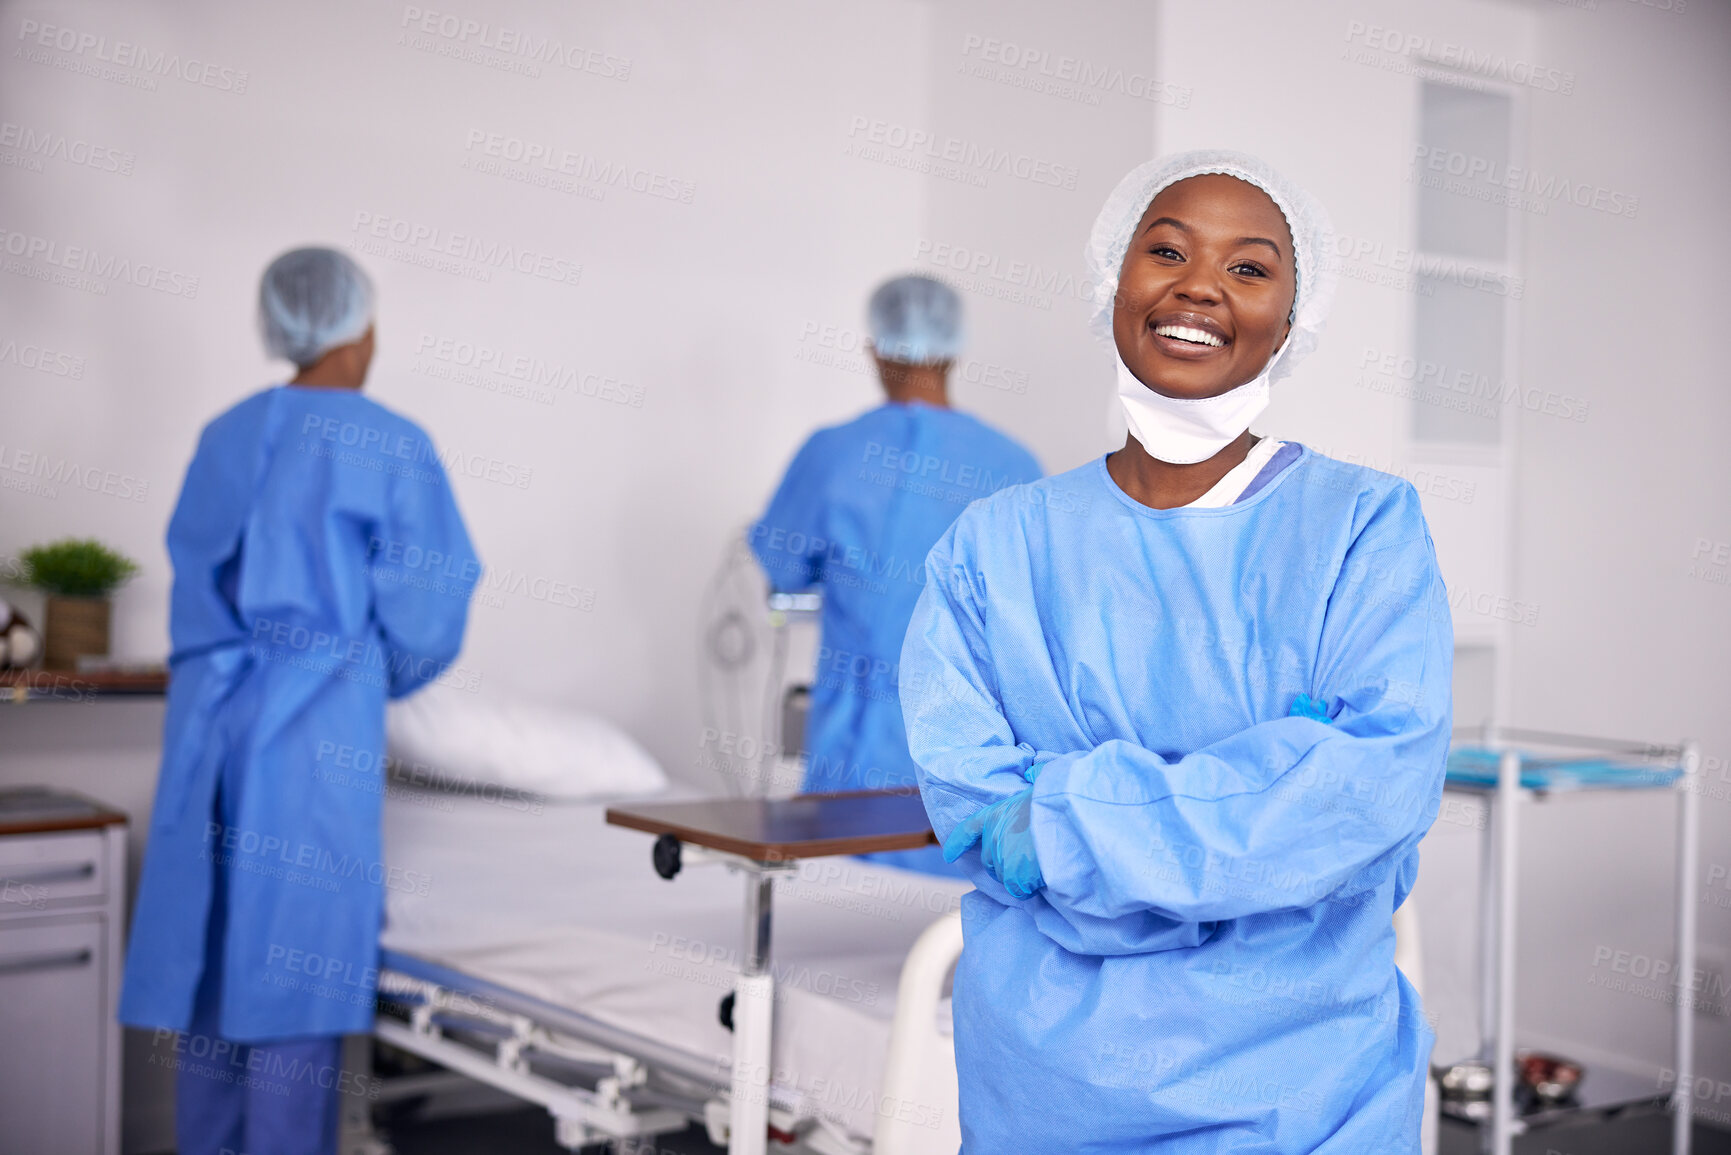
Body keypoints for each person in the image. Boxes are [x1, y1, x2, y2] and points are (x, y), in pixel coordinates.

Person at [900, 151, 1452, 1151]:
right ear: (1115, 280)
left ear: (1293, 320)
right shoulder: (994, 544)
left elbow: (1369, 789)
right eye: (1166, 251)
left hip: (1301, 1082)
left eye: (1250, 268)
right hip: (1046, 1086)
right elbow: (977, 805)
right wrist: (1260, 792)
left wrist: (1064, 816)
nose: (1199, 285)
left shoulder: (1362, 527)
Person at [119, 248, 480, 1155]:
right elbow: (429, 611)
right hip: (314, 724)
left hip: (208, 716)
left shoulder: (226, 435)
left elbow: (195, 588)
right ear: (358, 327)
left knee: (213, 953)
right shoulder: (391, 443)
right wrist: (361, 675)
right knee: (294, 967)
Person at [752, 274, 1040, 874]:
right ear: (954, 350)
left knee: (845, 904)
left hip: (854, 754)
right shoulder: (1015, 464)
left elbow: (783, 567)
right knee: (950, 926)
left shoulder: (834, 452)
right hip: (976, 759)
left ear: (876, 347)